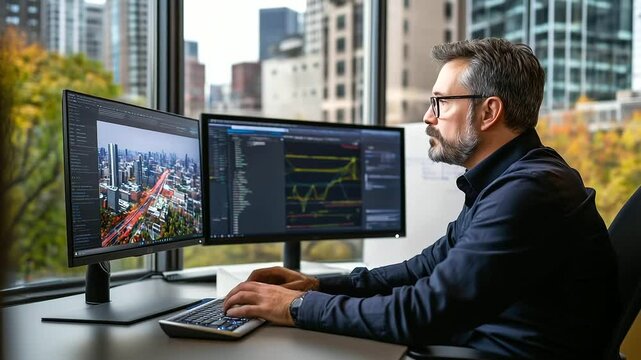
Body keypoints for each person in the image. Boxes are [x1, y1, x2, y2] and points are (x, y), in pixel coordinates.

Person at [223, 38, 619, 359]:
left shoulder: (529, 192)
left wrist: (294, 307)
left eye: (440, 102)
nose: (429, 117)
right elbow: (422, 269)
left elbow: (422, 313)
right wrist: (317, 286)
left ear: (489, 112)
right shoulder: (510, 180)